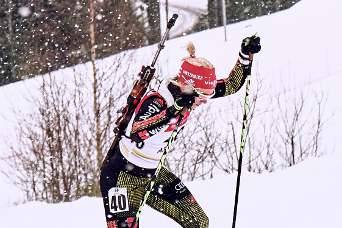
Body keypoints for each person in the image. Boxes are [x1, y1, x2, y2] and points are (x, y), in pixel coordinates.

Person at [101, 37, 262, 228]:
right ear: (186, 89)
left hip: (153, 173)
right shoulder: (157, 100)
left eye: (208, 95)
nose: (205, 101)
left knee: (198, 223)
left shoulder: (189, 94)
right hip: (122, 176)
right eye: (202, 96)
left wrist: (244, 57)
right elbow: (138, 130)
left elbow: (230, 86)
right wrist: (172, 111)